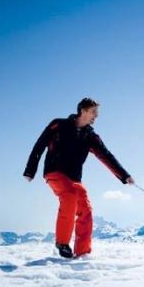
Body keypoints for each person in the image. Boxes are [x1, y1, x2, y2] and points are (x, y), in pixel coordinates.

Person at [23, 97, 134, 258]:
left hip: (74, 178)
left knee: (85, 210)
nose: (96, 116)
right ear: (83, 110)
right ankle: (62, 242)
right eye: (94, 112)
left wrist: (124, 176)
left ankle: (82, 252)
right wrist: (30, 170)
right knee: (69, 196)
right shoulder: (59, 125)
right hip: (54, 171)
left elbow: (106, 156)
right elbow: (39, 145)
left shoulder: (91, 136)